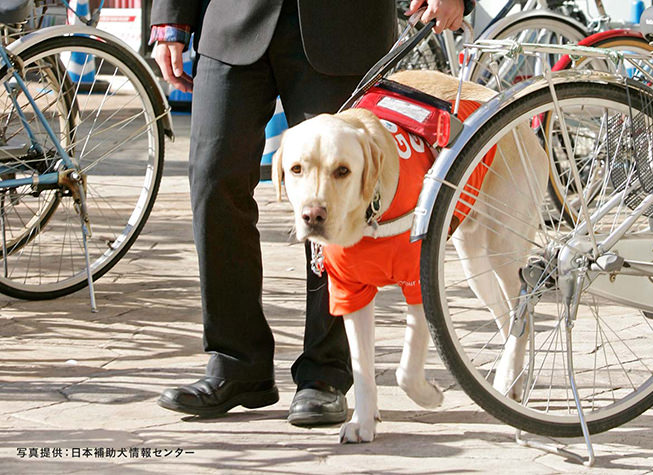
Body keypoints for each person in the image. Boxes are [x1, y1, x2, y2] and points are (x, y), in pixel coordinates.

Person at [150, 0, 474, 426]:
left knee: (341, 196)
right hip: (232, 19)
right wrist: (169, 19)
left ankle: (326, 373)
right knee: (213, 181)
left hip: (344, 26)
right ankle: (236, 363)